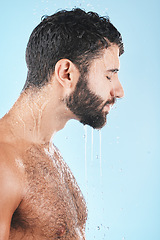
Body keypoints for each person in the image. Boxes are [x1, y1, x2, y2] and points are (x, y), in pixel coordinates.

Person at [0, 8, 124, 239]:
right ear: (66, 73)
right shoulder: (3, 161)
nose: (119, 90)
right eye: (109, 75)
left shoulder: (46, 150)